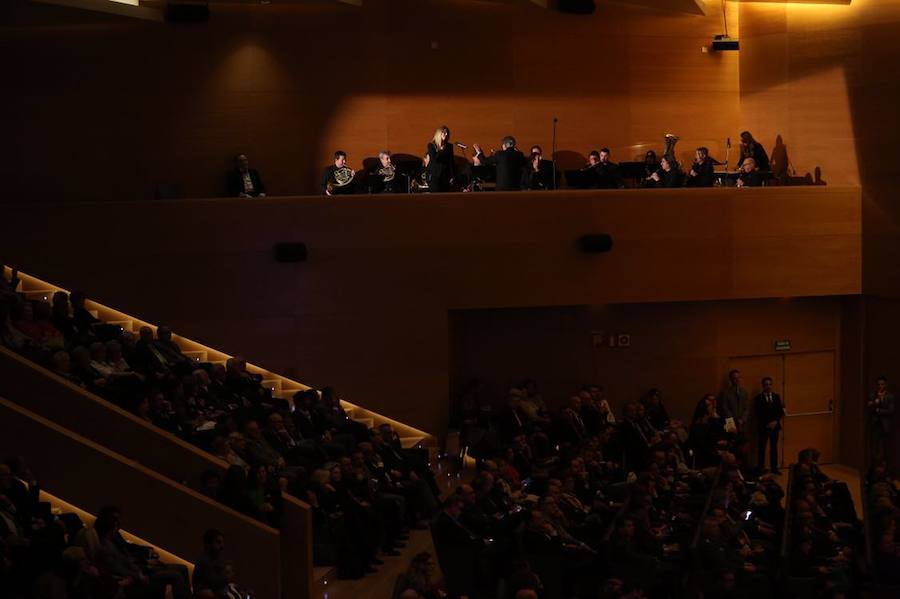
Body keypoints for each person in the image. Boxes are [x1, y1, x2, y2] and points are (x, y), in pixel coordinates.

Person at [753, 377, 784, 474]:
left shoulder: (776, 396)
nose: (768, 386)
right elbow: (758, 413)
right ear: (763, 386)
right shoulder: (758, 398)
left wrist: (775, 421)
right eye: (766, 384)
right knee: (762, 448)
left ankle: (774, 468)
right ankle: (760, 468)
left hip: (775, 426)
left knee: (774, 448)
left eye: (770, 384)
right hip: (764, 426)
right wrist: (768, 423)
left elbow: (780, 411)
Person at [867, 376, 895, 463]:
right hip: (875, 425)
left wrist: (879, 410)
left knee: (886, 448)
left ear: (886, 385)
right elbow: (869, 408)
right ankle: (875, 470)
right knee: (874, 447)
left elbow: (891, 411)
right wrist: (873, 404)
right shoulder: (873, 395)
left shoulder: (890, 396)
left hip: (885, 425)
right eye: (878, 384)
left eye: (882, 384)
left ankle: (886, 471)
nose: (880, 386)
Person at [425, 126, 455, 192]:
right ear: (439, 133)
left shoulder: (449, 146)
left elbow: (451, 162)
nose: (446, 134)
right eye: (444, 132)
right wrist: (441, 150)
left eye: (447, 133)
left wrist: (452, 175)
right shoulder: (431, 145)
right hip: (434, 176)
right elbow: (434, 160)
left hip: (445, 176)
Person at [719, 369, 749, 433]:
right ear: (730, 379)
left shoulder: (744, 392)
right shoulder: (725, 393)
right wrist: (735, 420)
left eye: (739, 377)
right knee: (731, 439)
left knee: (742, 439)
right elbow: (725, 408)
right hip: (730, 421)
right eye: (734, 378)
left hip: (742, 422)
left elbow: (746, 408)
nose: (737, 380)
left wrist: (742, 419)